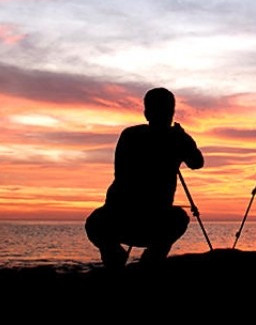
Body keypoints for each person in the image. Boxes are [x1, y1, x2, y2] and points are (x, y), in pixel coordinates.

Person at [86, 87, 205, 270]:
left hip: (121, 218)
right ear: (171, 113)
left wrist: (182, 142)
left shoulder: (130, 135)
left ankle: (125, 262)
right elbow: (197, 162)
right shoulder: (175, 139)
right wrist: (184, 141)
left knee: (95, 223)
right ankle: (146, 263)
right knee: (179, 218)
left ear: (146, 113)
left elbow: (197, 163)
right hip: (147, 220)